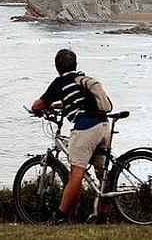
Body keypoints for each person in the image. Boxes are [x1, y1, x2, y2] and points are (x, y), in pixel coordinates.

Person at [31, 49, 111, 225]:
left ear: (57, 67)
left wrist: (36, 109)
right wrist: (61, 105)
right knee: (102, 173)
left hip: (86, 128)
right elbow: (77, 101)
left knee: (76, 174)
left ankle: (59, 217)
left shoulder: (61, 82)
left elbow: (39, 103)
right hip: (104, 125)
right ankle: (103, 216)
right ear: (75, 64)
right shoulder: (81, 79)